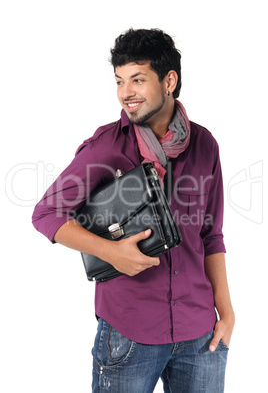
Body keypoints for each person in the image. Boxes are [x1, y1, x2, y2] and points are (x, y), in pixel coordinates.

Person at [32, 28, 235, 392]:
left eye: (138, 80)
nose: (126, 92)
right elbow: (46, 213)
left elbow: (211, 234)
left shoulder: (205, 144)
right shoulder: (106, 147)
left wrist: (227, 311)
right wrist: (112, 253)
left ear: (169, 81)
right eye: (119, 81)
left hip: (200, 333)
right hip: (129, 333)